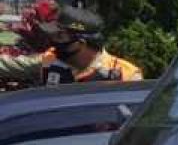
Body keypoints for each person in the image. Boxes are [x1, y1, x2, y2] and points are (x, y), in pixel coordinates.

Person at [0, 5, 141, 85]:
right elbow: (9, 65)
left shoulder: (127, 75)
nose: (52, 40)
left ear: (82, 43)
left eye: (59, 35)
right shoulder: (48, 61)